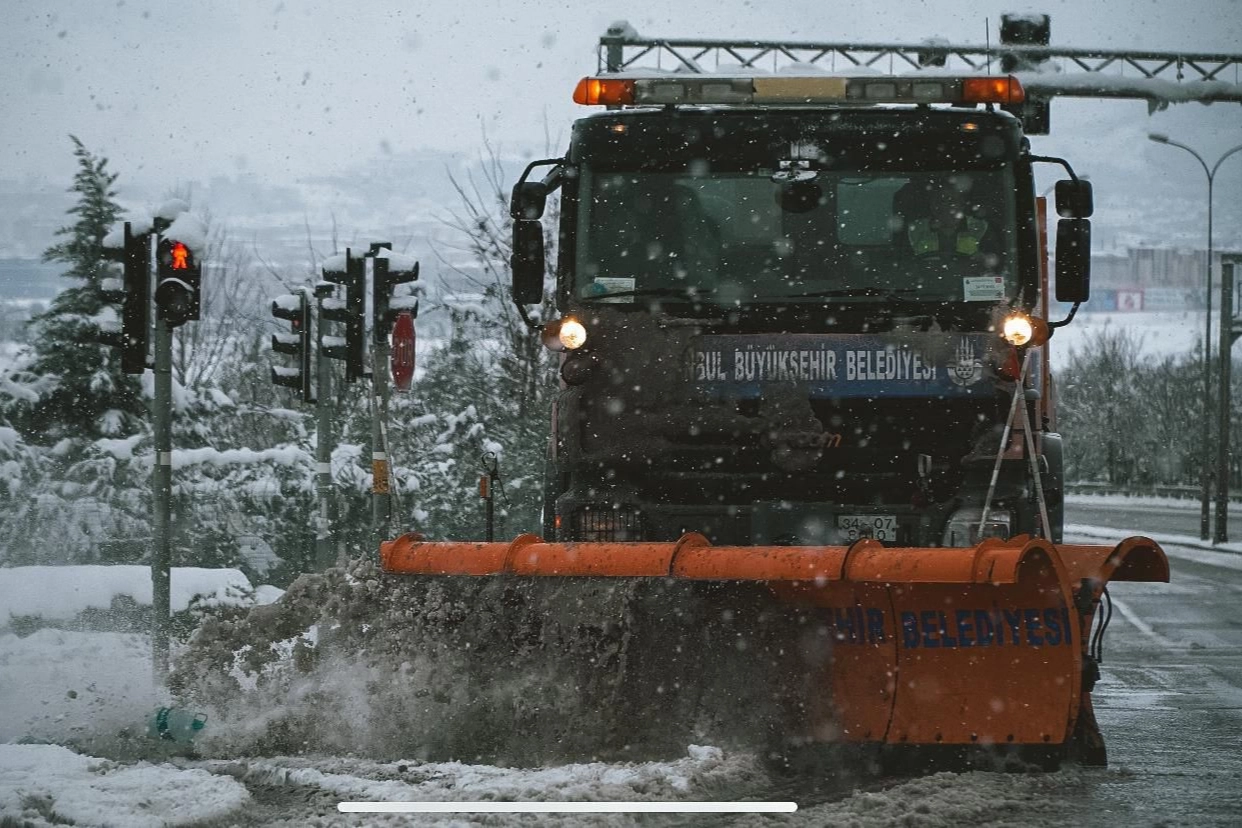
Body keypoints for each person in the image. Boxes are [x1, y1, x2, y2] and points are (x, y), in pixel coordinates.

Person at [901, 178, 992, 259]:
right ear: (931, 204)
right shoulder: (915, 229)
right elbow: (903, 264)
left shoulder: (981, 227)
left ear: (962, 204)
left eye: (951, 200)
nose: (944, 205)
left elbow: (992, 265)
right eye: (939, 200)